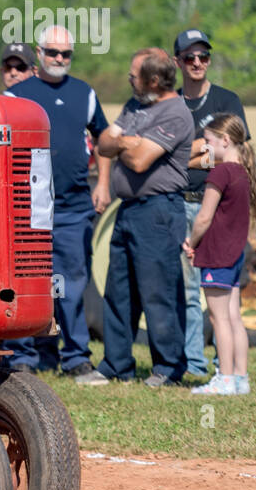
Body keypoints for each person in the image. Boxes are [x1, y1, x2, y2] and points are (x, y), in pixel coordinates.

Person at [3, 25, 111, 379]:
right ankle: (22, 356)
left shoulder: (85, 93)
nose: (60, 59)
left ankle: (77, 357)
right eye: (53, 53)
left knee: (72, 283)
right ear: (39, 53)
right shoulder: (15, 97)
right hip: (27, 210)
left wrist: (104, 183)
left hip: (73, 207)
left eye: (66, 54)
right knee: (27, 282)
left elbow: (104, 140)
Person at [81, 48, 194, 387]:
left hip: (158, 212)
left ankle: (168, 368)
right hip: (128, 210)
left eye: (134, 76)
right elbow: (102, 143)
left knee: (158, 292)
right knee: (119, 291)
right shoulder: (135, 106)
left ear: (154, 80)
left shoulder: (175, 113)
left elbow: (141, 160)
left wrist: (123, 142)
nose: (129, 80)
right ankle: (117, 365)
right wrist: (125, 142)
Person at [175, 28, 250, 378]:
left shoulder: (227, 100)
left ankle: (227, 367)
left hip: (217, 209)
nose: (197, 63)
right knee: (191, 291)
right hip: (181, 201)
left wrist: (185, 155)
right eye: (189, 57)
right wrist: (196, 153)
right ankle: (194, 363)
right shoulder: (171, 104)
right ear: (178, 62)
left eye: (203, 56)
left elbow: (235, 155)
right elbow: (165, 154)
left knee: (224, 296)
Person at [183, 114, 255, 396]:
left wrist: (191, 242)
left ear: (225, 141)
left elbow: (203, 217)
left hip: (217, 254)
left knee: (218, 318)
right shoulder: (244, 172)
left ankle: (224, 378)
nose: (206, 148)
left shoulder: (221, 172)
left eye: (209, 142)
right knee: (233, 316)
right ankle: (240, 378)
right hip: (235, 253)